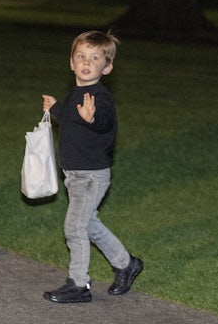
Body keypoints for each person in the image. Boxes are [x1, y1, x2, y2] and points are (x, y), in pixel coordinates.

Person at [41, 31, 142, 303]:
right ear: (71, 63)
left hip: (91, 176)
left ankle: (79, 284)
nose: (87, 62)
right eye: (81, 56)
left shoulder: (100, 98)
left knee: (74, 228)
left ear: (107, 68)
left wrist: (93, 119)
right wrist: (57, 109)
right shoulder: (77, 92)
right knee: (89, 225)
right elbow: (72, 121)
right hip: (75, 175)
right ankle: (126, 263)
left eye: (95, 58)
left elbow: (105, 122)